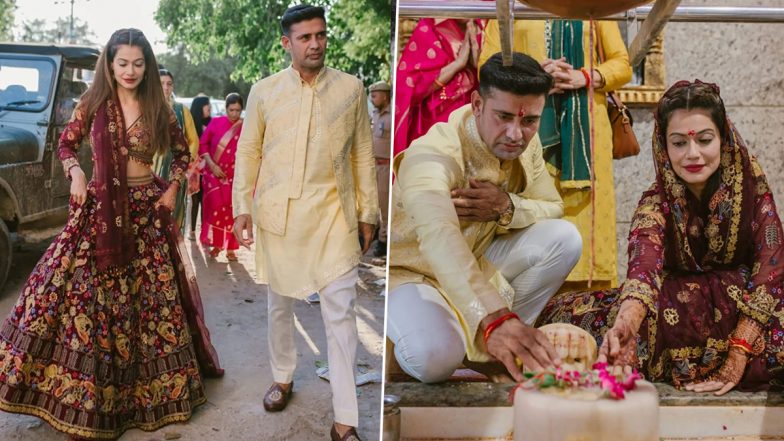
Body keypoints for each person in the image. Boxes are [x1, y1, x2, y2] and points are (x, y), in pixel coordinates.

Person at [0, 28, 222, 440]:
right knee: (79, 298)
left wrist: (172, 187)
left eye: (138, 63)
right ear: (110, 63)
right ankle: (81, 396)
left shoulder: (160, 105)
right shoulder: (94, 101)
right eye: (123, 63)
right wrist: (77, 172)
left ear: (148, 65)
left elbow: (182, 154)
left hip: (145, 211)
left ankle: (144, 395)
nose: (130, 71)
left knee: (149, 305)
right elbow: (67, 145)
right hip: (99, 211)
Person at [537, 80, 784, 395]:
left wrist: (740, 346)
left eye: (704, 140)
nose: (692, 154)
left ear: (723, 139)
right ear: (663, 146)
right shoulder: (657, 201)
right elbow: (643, 269)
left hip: (744, 305)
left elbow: (772, 259)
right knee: (570, 315)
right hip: (677, 307)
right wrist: (626, 324)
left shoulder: (750, 181)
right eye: (679, 143)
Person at [387, 52, 583, 384]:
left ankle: (495, 349)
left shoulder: (525, 147)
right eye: (503, 116)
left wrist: (507, 207)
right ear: (477, 104)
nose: (515, 134)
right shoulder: (433, 153)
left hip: (479, 262)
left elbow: (552, 206)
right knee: (434, 359)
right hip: (413, 273)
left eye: (529, 121)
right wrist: (493, 318)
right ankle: (472, 335)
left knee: (564, 239)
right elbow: (439, 237)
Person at [232, 5, 377, 441]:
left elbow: (363, 154)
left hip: (334, 214)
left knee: (342, 311)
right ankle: (283, 377)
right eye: (305, 37)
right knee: (281, 305)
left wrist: (369, 211)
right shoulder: (264, 91)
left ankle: (345, 420)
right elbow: (248, 151)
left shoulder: (351, 89)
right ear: (287, 43)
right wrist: (243, 206)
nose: (315, 44)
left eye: (320, 35)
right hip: (280, 215)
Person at [480, 20, 632, 290]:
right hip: (527, 127)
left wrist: (584, 76)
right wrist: (534, 77)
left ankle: (590, 306)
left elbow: (622, 64)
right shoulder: (514, 6)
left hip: (589, 132)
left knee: (590, 221)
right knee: (534, 208)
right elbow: (487, 68)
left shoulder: (596, 9)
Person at [394, 18, 483, 157]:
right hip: (432, 122)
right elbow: (410, 87)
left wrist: (479, 63)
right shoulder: (429, 28)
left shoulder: (488, 23)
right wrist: (458, 64)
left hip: (475, 121)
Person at [153, 67, 200, 232]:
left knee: (173, 215)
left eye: (169, 84)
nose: (166, 87)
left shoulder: (181, 110)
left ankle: (171, 253)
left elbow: (193, 141)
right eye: (161, 84)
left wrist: (185, 163)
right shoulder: (147, 109)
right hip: (150, 172)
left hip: (175, 172)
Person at [199, 92, 243, 261]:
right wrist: (212, 165)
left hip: (234, 177)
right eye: (231, 110)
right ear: (226, 109)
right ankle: (217, 244)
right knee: (216, 208)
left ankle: (231, 248)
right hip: (214, 175)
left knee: (233, 211)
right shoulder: (216, 123)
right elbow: (203, 145)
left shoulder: (244, 128)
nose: (234, 114)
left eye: (238, 110)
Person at [369, 81, 391, 257]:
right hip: (373, 166)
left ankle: (383, 243)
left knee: (385, 207)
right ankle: (377, 236)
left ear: (384, 96)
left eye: (375, 95)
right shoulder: (375, 115)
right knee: (374, 205)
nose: (372, 99)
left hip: (385, 167)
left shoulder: (392, 115)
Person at [188, 95, 212, 240]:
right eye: (206, 105)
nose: (209, 108)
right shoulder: (192, 126)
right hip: (194, 169)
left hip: (208, 169)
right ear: (199, 108)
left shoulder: (211, 124)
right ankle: (191, 231)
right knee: (195, 200)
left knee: (205, 200)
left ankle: (204, 231)